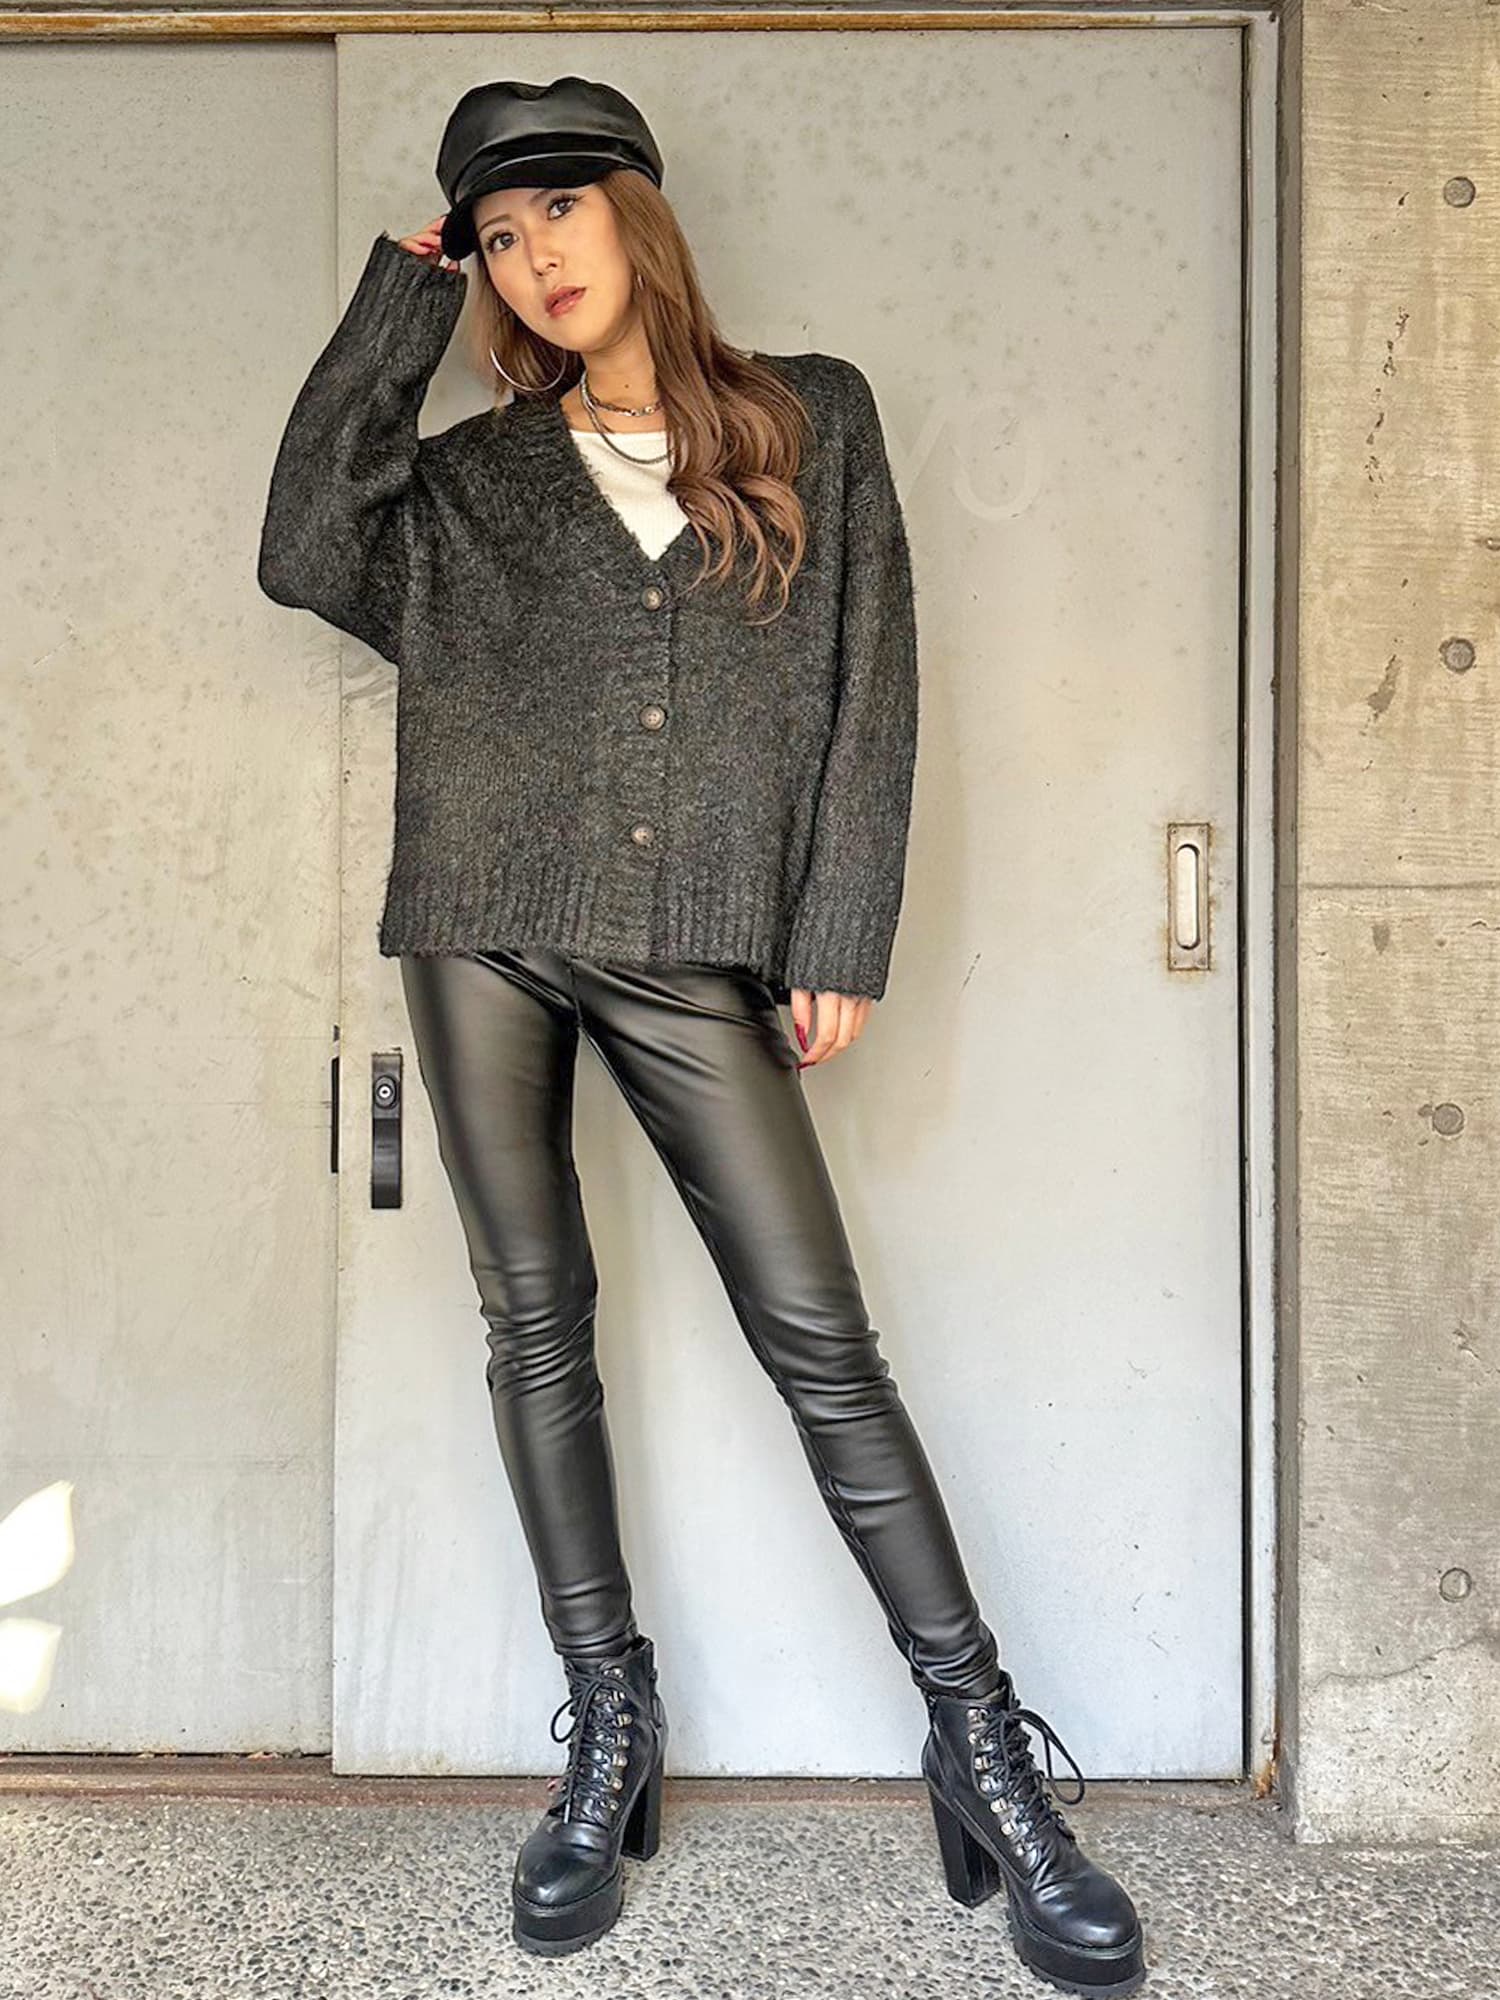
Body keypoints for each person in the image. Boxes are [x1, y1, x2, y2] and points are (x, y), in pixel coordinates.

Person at [257, 73, 1145, 1996]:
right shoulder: (470, 482)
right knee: (536, 1329)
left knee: (823, 1346)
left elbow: (874, 683)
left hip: (698, 950)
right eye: (498, 237)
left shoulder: (814, 417)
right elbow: (305, 545)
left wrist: (838, 929)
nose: (534, 258)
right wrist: (402, 306)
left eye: (559, 212)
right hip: (484, 922)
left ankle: (986, 1750)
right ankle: (608, 1728)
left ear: (638, 215)